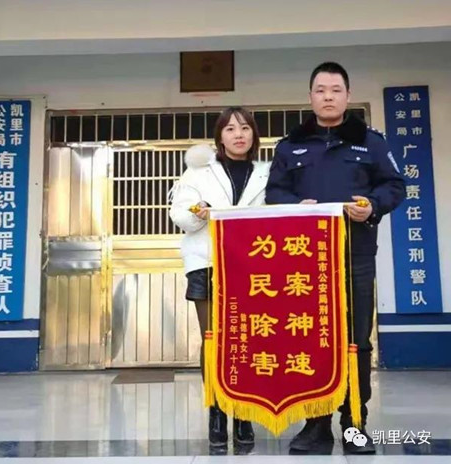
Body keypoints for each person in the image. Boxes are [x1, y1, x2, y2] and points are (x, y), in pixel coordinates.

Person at [266, 62, 405, 454]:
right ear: (310, 97)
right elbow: (274, 193)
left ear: (347, 95)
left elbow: (395, 185)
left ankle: (354, 422)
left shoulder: (371, 142)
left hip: (355, 253)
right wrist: (295, 206)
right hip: (305, 261)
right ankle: (316, 424)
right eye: (321, 90)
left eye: (335, 90)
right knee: (311, 338)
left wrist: (372, 205)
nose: (328, 97)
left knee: (356, 340)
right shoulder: (290, 145)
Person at [169, 107, 271, 447]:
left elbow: (278, 213)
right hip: (207, 261)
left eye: (245, 128)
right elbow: (179, 214)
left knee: (246, 339)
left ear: (254, 134)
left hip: (253, 266)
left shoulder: (267, 173)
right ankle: (216, 410)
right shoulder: (198, 172)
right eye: (230, 129)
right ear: (220, 137)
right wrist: (199, 214)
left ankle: (242, 412)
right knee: (213, 339)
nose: (238, 134)